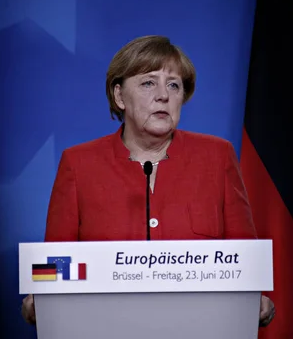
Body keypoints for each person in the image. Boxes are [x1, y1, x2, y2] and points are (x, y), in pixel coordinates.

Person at [21, 35, 276, 328]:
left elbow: (245, 258)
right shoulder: (78, 164)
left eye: (173, 85)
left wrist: (258, 300)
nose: (163, 95)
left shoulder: (218, 157)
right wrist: (42, 296)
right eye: (148, 83)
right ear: (119, 97)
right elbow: (55, 261)